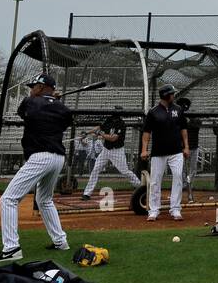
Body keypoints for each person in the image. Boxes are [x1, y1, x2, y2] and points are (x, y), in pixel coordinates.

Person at [0, 74, 72, 262]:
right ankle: (61, 242)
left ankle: (11, 248)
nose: (31, 89)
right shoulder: (63, 109)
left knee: (8, 199)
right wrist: (53, 102)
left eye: (34, 86)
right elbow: (64, 120)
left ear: (41, 87)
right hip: (58, 157)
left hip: (40, 156)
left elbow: (23, 111)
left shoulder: (30, 102)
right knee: (44, 200)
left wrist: (47, 101)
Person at [140, 84, 191, 222]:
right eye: (172, 94)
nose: (174, 96)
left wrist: (186, 147)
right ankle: (154, 210)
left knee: (178, 178)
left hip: (176, 151)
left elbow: (183, 129)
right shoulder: (153, 112)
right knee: (155, 181)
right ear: (166, 95)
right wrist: (144, 149)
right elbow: (146, 132)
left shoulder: (178, 110)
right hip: (158, 152)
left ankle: (175, 209)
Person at [81, 109, 141, 200]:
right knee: (96, 169)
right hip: (106, 150)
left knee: (124, 171)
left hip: (117, 151)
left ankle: (140, 186)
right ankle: (87, 193)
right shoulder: (109, 119)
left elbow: (113, 138)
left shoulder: (121, 124)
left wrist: (100, 134)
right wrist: (87, 133)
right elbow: (99, 127)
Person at [176, 97, 202, 204]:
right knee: (181, 170)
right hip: (182, 149)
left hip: (194, 148)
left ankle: (189, 185)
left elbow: (197, 124)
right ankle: (183, 187)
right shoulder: (178, 117)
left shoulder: (194, 118)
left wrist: (187, 121)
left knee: (193, 170)